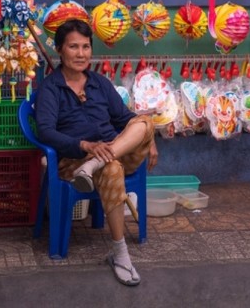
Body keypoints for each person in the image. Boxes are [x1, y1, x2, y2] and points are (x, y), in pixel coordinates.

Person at [34, 19, 158, 287]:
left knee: (146, 122)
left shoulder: (99, 83)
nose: (81, 54)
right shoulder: (50, 88)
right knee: (111, 168)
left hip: (112, 151)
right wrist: (85, 147)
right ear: (60, 50)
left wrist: (148, 140)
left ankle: (96, 165)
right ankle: (120, 255)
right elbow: (45, 131)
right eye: (73, 47)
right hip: (73, 161)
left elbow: (125, 117)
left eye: (86, 47)